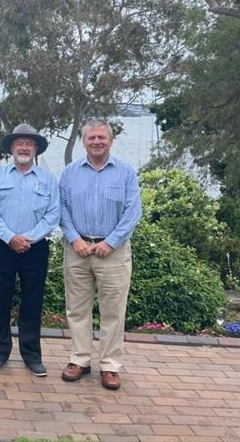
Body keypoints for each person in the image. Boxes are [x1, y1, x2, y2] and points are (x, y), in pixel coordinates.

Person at [59, 118, 142, 390]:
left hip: (113, 253)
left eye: (101, 138)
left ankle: (110, 366)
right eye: (91, 138)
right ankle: (79, 360)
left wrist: (111, 242)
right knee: (77, 309)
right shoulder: (70, 172)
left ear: (111, 140)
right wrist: (74, 239)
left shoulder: (126, 173)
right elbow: (62, 209)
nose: (96, 142)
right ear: (84, 141)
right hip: (78, 251)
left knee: (113, 312)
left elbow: (132, 213)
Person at [0, 123, 59, 376]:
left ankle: (31, 354)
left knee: (32, 301)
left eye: (29, 143)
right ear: (11, 148)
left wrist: (29, 239)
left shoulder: (48, 179)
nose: (24, 147)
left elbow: (53, 215)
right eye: (19, 143)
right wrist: (10, 237)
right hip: (3, 246)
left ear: (36, 148)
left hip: (35, 248)